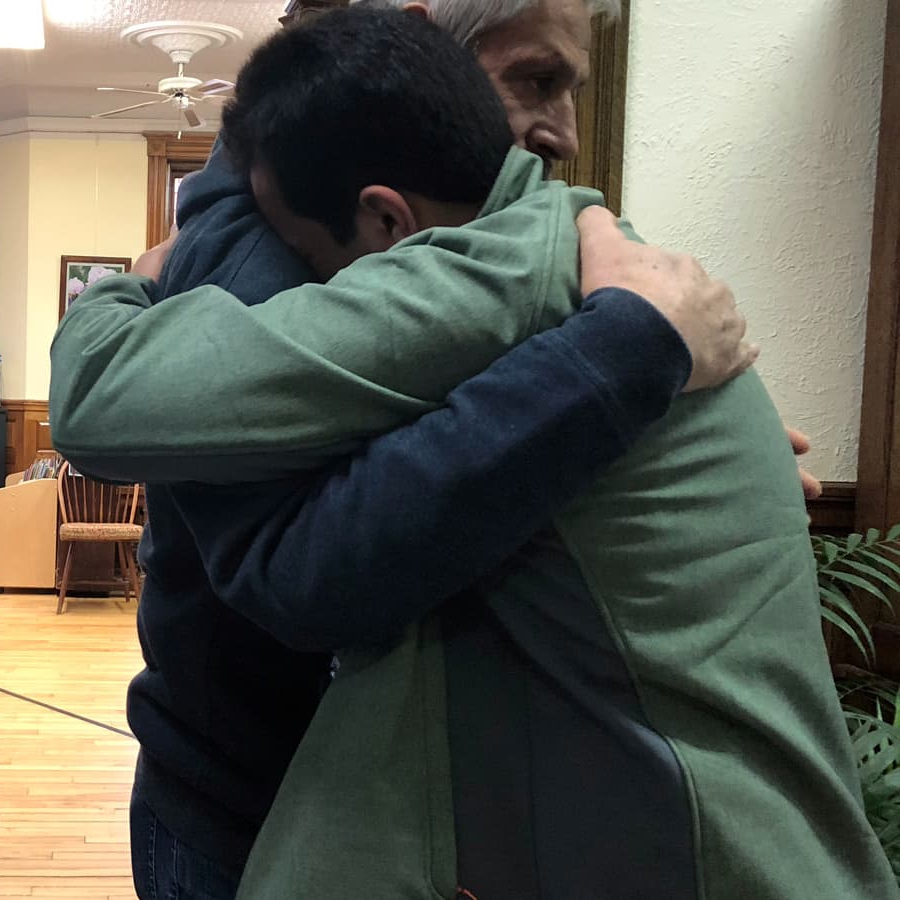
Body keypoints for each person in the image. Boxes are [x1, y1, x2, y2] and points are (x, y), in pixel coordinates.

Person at [53, 8, 893, 898]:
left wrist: (130, 285)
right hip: (256, 790)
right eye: (535, 78)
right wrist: (631, 357)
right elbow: (295, 562)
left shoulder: (520, 261)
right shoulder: (523, 260)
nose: (561, 132)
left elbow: (101, 391)